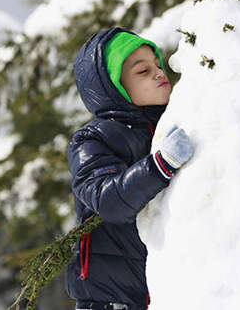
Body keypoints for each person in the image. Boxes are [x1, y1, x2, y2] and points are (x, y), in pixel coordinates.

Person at [65, 27, 194, 310]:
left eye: (158, 65)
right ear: (114, 86)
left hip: (167, 293)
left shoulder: (171, 125)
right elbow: (109, 201)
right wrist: (159, 166)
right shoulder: (92, 140)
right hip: (111, 300)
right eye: (142, 71)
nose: (159, 73)